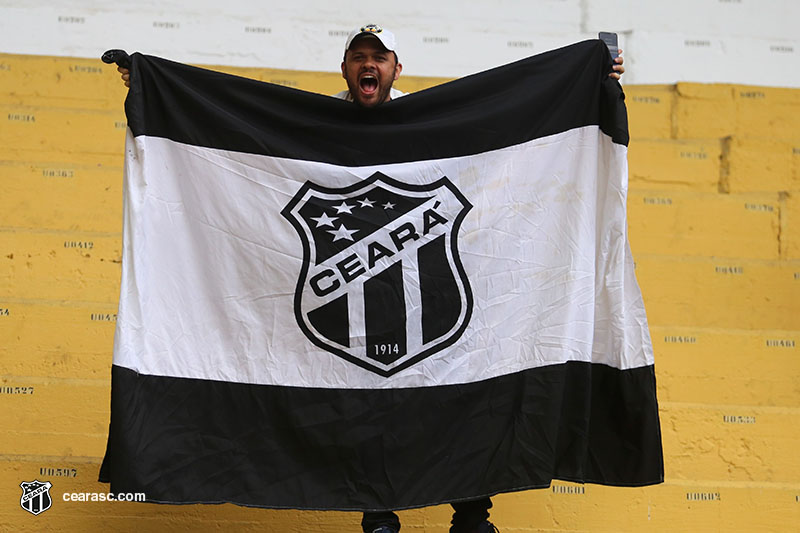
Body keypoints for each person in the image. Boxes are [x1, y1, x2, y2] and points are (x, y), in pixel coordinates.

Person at [116, 23, 624, 533]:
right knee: (357, 400)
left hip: (430, 304)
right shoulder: (312, 127)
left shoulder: (438, 125)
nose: (368, 65)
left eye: (379, 58)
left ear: (396, 69)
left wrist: (594, 77)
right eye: (358, 56)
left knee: (468, 385)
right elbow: (220, 112)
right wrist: (147, 82)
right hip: (352, 313)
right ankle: (378, 514)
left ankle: (472, 514)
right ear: (344, 68)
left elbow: (521, 114)